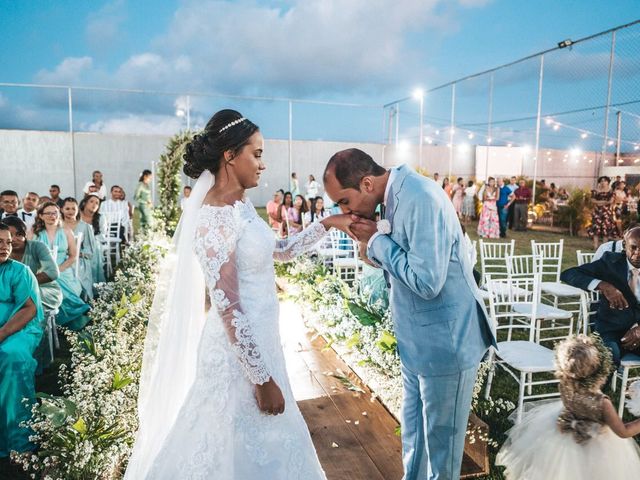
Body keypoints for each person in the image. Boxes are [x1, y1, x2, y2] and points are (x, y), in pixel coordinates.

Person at [125, 109, 354, 480]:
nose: (263, 164)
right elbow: (228, 304)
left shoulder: (240, 206)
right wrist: (261, 380)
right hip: (238, 360)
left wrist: (327, 224)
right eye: (257, 153)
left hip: (264, 344)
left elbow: (275, 250)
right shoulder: (214, 215)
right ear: (229, 155)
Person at [323, 148, 494, 480]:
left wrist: (375, 240)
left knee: (440, 453)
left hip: (446, 342)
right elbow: (396, 254)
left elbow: (427, 281)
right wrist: (370, 244)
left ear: (367, 183)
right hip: (416, 341)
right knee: (415, 441)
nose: (345, 210)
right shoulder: (388, 197)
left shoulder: (420, 197)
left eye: (345, 201)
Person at [496, 335, 640, 480]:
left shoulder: (565, 385)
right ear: (599, 371)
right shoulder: (603, 403)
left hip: (565, 439)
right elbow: (623, 432)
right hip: (597, 447)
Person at [561, 226, 640, 366]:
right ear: (624, 245)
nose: (637, 254)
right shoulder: (610, 262)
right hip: (611, 330)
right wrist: (604, 285)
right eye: (633, 248)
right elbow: (569, 274)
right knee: (606, 359)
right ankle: (595, 388)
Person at [0, 222, 44, 458]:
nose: (5, 247)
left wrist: (2, 334)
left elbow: (29, 309)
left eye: (8, 242)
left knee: (12, 356)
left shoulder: (19, 271)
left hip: (20, 328)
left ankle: (19, 440)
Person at [33, 202, 90, 331]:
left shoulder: (66, 231)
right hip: (41, 269)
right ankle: (77, 312)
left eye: (55, 212)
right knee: (49, 281)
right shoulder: (35, 233)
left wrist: (58, 269)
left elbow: (73, 256)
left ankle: (71, 319)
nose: (52, 216)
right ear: (41, 216)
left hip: (63, 268)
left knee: (58, 280)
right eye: (48, 213)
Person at [4, 216, 62, 315]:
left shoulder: (37, 247)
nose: (14, 239)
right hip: (10, 293)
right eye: (10, 235)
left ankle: (32, 330)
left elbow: (53, 273)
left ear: (25, 234)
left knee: (24, 295)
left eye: (19, 234)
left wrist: (23, 283)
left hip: (44, 290)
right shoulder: (2, 250)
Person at [62, 198, 105, 300]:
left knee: (76, 269)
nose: (71, 211)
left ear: (78, 210)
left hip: (78, 260)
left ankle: (79, 298)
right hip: (60, 259)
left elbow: (89, 250)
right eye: (67, 208)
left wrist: (75, 254)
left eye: (73, 208)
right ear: (62, 209)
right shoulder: (57, 226)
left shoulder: (85, 227)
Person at [587, 176, 617, 250]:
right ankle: (595, 246)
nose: (603, 182)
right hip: (597, 212)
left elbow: (610, 201)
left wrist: (599, 203)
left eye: (605, 181)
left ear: (608, 182)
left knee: (605, 230)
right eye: (601, 181)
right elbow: (592, 200)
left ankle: (604, 248)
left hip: (607, 213)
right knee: (596, 229)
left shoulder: (611, 191)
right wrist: (604, 202)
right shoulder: (595, 191)